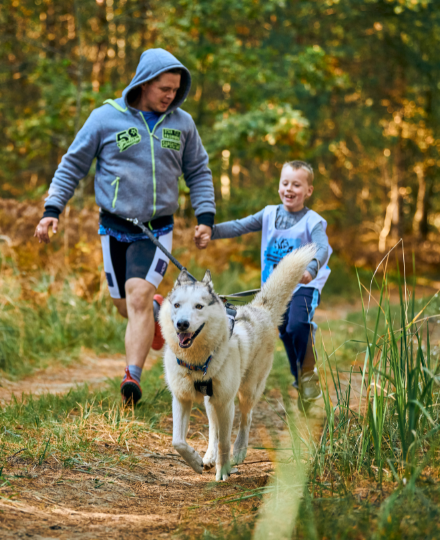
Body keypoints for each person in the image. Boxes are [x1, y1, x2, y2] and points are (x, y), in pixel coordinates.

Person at [35, 49, 216, 405]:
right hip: (114, 227)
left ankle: (132, 377)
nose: (171, 96)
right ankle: (158, 312)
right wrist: (52, 209)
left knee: (137, 296)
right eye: (164, 88)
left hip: (156, 229)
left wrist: (205, 217)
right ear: (144, 83)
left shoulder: (182, 124)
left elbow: (198, 171)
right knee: (124, 305)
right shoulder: (105, 118)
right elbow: (72, 165)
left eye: (176, 90)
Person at [201, 160, 331, 409]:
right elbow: (239, 226)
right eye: (285, 183)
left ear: (309, 191)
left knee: (296, 325)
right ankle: (300, 380)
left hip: (304, 285)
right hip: (274, 290)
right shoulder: (269, 214)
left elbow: (322, 247)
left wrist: (311, 268)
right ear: (279, 185)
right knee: (284, 333)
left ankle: (308, 373)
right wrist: (211, 232)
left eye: (296, 185)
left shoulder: (312, 221)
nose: (289, 189)